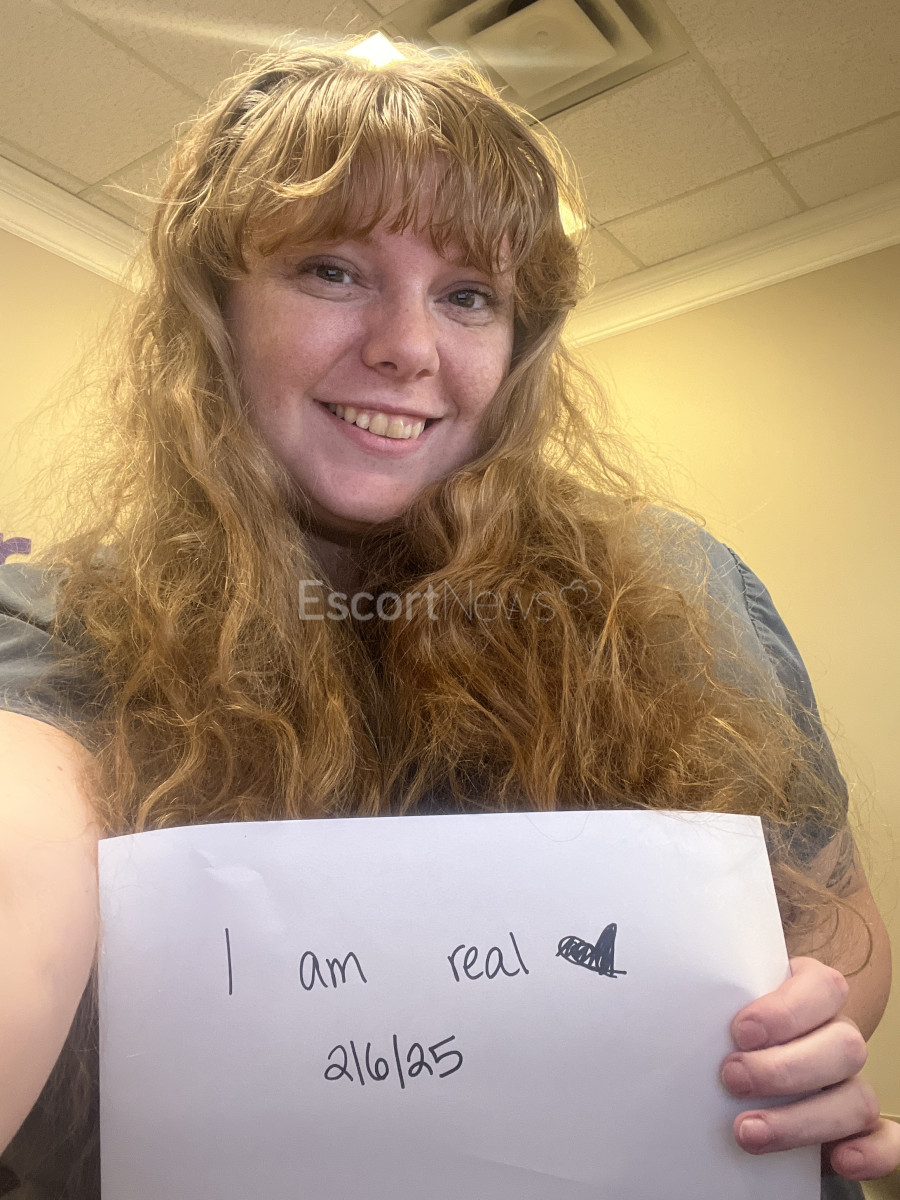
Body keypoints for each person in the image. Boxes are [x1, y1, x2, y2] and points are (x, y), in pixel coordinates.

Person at [0, 35, 897, 1200]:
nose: (409, 349)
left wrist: (802, 1038)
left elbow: (838, 925)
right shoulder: (67, 622)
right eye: (333, 271)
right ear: (217, 310)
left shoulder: (677, 583)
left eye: (469, 296)